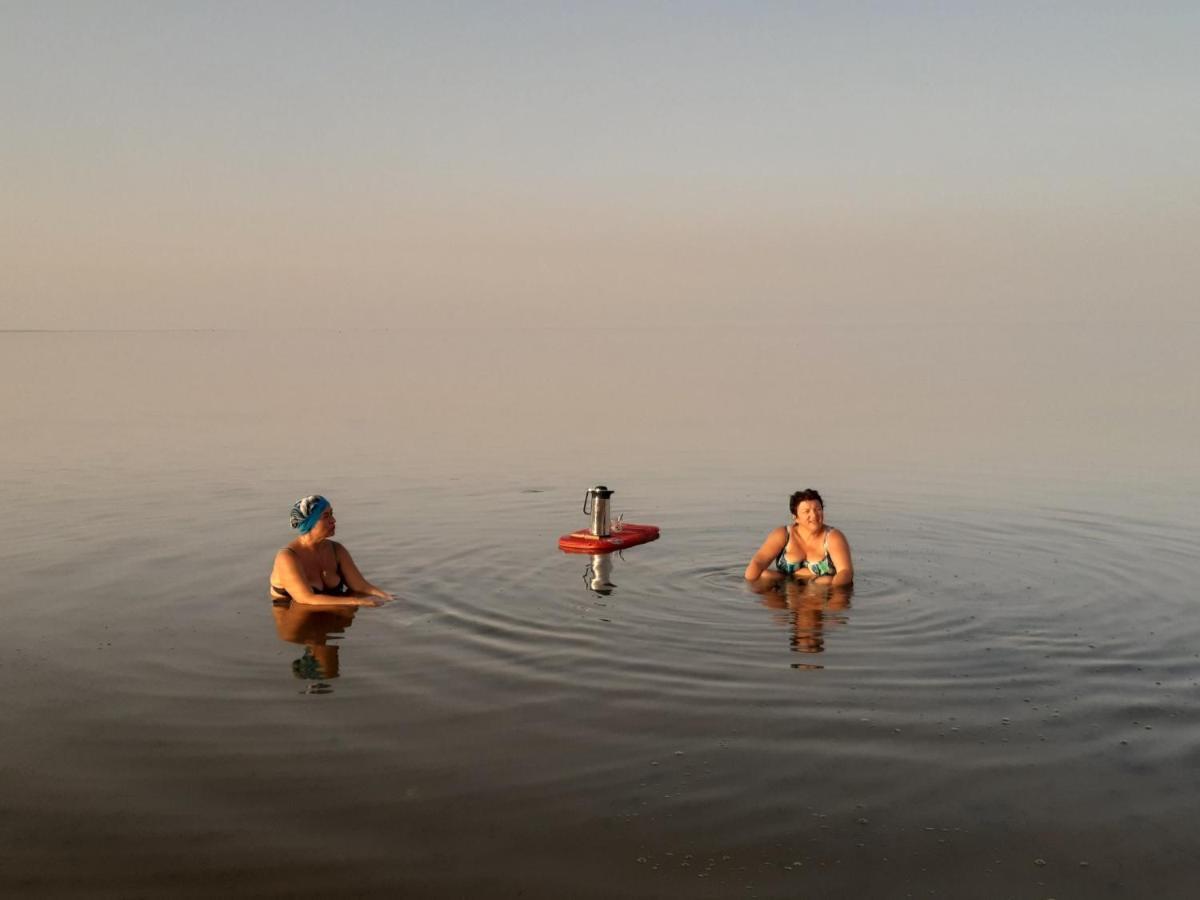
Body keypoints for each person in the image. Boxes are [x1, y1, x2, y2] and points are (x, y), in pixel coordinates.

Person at [269, 495, 393, 606]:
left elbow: (361, 586)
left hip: (333, 617)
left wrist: (388, 597)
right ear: (309, 523)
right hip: (298, 622)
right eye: (326, 516)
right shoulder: (287, 557)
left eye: (332, 514)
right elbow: (305, 599)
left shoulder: (336, 550)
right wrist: (357, 601)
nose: (333, 520)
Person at [744, 489, 854, 585]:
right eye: (807, 511)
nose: (814, 515)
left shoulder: (833, 537)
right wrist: (747, 588)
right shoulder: (783, 534)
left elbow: (845, 572)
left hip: (820, 592)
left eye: (818, 509)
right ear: (795, 517)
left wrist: (836, 594)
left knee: (824, 581)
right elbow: (758, 562)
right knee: (765, 575)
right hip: (786, 586)